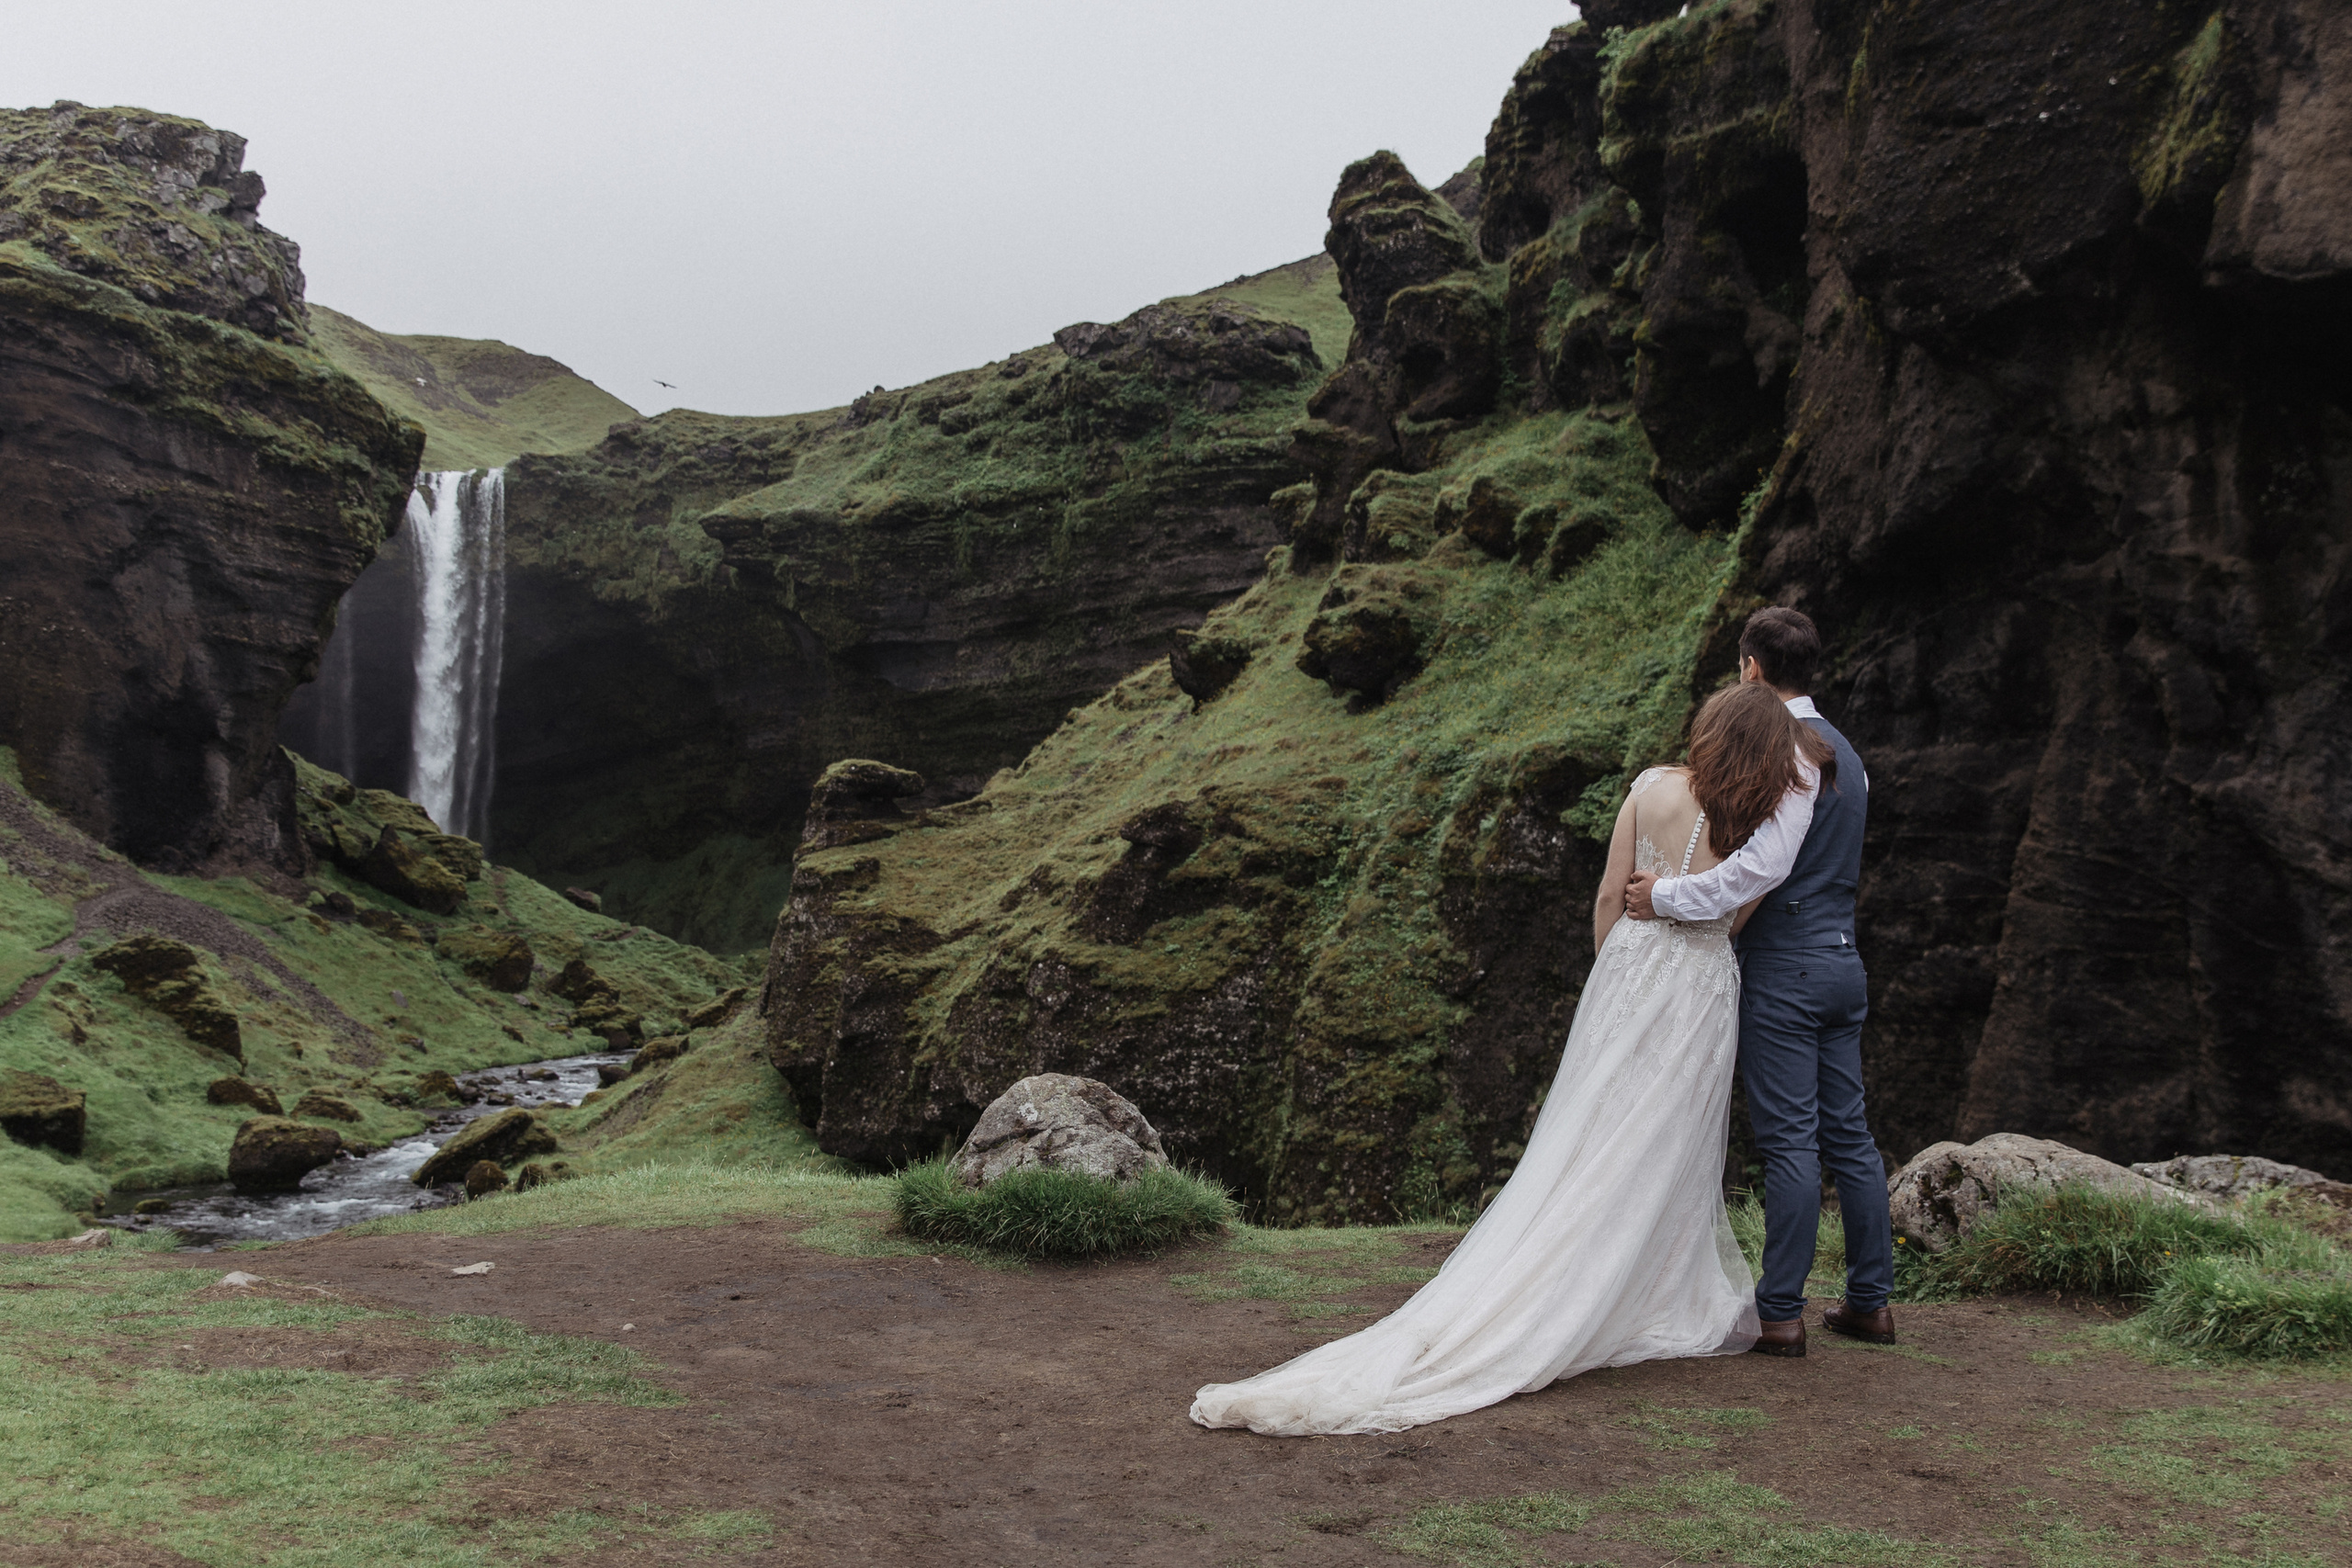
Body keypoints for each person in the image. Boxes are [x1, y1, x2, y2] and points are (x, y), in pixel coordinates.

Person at [1189, 680, 1828, 1437]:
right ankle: (1637, 1286)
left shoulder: (1651, 788)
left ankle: (1568, 1273)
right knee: (1665, 1142)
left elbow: (1605, 896)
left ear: (1709, 731)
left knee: (1591, 1132)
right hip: (1700, 988)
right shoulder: (1759, 831)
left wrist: (1614, 984)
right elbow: (1730, 920)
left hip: (1631, 971)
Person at [1625, 605, 1894, 1356]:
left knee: (1790, 1143)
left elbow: (1765, 867)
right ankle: (1871, 1303)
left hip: (1789, 966)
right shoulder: (1850, 753)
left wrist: (1668, 898)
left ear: (1750, 667)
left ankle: (1780, 1310)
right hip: (1844, 958)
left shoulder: (1794, 751)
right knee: (1851, 1134)